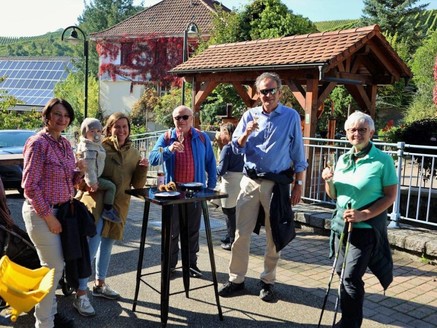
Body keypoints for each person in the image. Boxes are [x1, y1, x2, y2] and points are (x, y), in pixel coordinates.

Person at [218, 72, 307, 302]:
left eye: (271, 90)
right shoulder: (249, 115)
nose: (267, 95)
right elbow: (236, 148)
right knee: (240, 234)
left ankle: (268, 281)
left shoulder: (290, 117)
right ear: (257, 94)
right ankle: (236, 279)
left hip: (276, 184)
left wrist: (299, 184)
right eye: (263, 91)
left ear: (280, 91)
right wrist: (247, 132)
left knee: (273, 236)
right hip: (249, 182)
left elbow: (298, 153)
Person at [321, 111, 397, 327]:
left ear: (371, 132)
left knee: (350, 278)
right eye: (352, 130)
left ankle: (350, 323)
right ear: (346, 133)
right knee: (341, 273)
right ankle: (347, 318)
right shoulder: (343, 159)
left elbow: (390, 195)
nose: (357, 133)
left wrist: (364, 214)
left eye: (362, 129)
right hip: (341, 227)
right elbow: (334, 195)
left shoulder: (383, 161)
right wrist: (329, 181)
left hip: (365, 229)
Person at [75, 112, 149, 316]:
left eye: (125, 126)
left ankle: (100, 284)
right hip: (97, 205)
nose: (121, 130)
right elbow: (81, 174)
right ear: (109, 129)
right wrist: (85, 184)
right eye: (117, 126)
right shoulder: (98, 147)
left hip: (118, 207)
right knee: (91, 247)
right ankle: (81, 292)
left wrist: (143, 169)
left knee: (107, 246)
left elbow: (137, 185)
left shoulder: (133, 152)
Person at [21, 98, 85, 328]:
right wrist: (49, 217)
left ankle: (51, 316)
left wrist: (79, 175)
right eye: (58, 114)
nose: (62, 119)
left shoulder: (65, 144)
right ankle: (44, 322)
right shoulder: (38, 143)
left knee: (54, 268)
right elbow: (29, 186)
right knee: (53, 268)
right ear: (47, 116)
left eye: (66, 116)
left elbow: (68, 179)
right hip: (42, 214)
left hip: (62, 212)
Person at [149, 105, 217, 278]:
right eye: (177, 118)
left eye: (184, 117)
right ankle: (170, 265)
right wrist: (169, 150)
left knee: (192, 231)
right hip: (173, 193)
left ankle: (190, 265)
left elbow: (211, 162)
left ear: (191, 118)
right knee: (172, 231)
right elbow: (153, 158)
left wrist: (210, 188)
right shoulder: (166, 137)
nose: (181, 121)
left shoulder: (201, 137)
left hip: (195, 193)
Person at [76, 118, 120, 223]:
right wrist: (92, 183)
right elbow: (89, 167)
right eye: (92, 131)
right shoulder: (89, 148)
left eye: (98, 131)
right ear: (85, 133)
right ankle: (108, 210)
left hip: (93, 176)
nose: (96, 134)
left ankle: (77, 196)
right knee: (111, 187)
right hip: (92, 178)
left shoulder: (94, 144)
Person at [216, 123, 244, 250]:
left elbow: (221, 170)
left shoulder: (227, 148)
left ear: (227, 133)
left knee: (228, 212)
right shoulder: (242, 146)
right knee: (236, 212)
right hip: (241, 181)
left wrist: (211, 169)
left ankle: (232, 241)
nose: (219, 134)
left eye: (221, 131)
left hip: (229, 182)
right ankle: (230, 236)